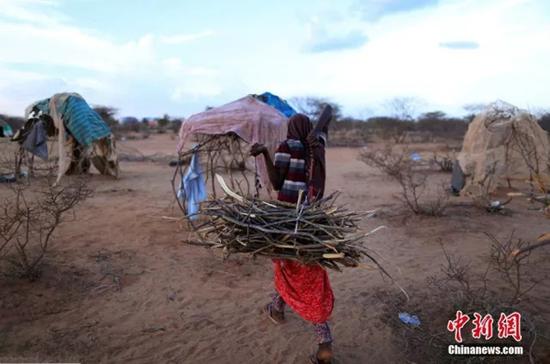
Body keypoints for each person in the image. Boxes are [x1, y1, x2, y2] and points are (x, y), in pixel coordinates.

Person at [250, 114, 333, 364]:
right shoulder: (316, 149)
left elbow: (276, 183)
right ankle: (276, 308)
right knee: (306, 273)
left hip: (287, 221)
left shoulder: (288, 146)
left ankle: (325, 343)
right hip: (311, 223)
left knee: (289, 270)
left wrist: (265, 152)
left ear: (291, 128)